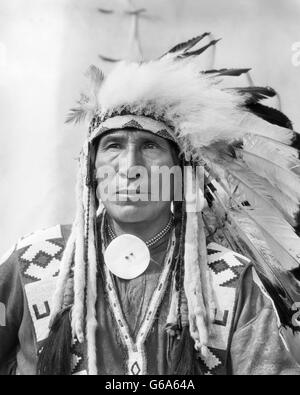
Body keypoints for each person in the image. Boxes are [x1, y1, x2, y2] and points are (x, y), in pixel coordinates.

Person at [1, 34, 300, 375]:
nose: (130, 168)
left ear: (181, 172)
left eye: (150, 146)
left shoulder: (230, 280)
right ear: (90, 169)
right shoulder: (32, 263)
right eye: (113, 145)